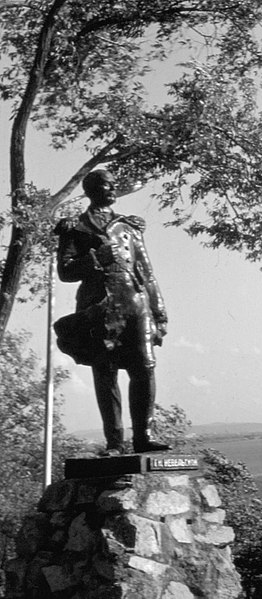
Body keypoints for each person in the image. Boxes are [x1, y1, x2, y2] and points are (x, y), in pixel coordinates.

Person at [54, 169, 169, 456]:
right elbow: (65, 272)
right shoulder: (75, 228)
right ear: (92, 189)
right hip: (99, 307)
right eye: (107, 185)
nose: (113, 189)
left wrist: (160, 312)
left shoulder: (128, 227)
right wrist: (93, 260)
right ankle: (115, 442)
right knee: (105, 373)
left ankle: (144, 436)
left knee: (145, 367)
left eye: (114, 185)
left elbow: (147, 271)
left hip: (135, 303)